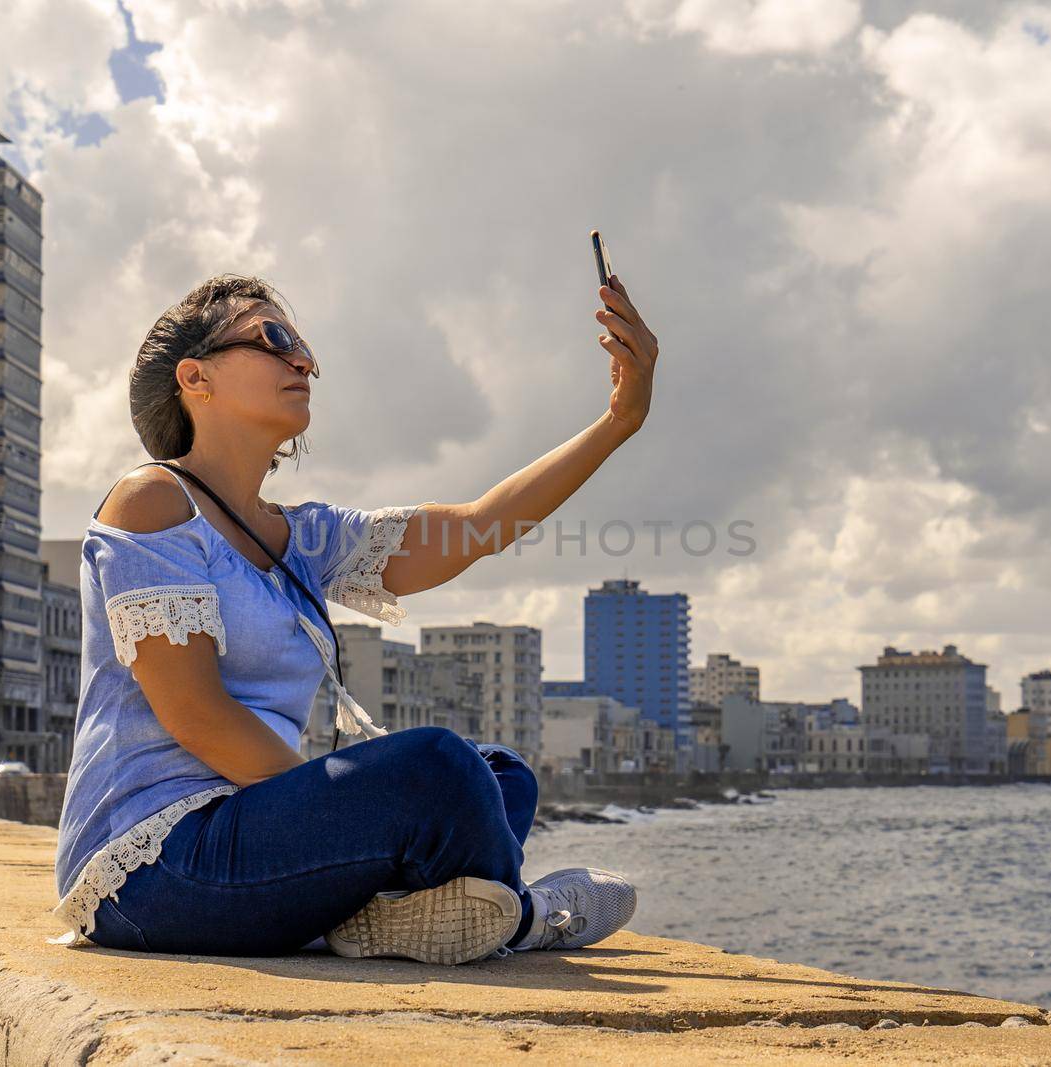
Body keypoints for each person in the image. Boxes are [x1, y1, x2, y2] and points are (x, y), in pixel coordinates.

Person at [51, 270, 660, 963]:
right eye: (273, 339)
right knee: (436, 768)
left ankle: (398, 916)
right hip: (155, 871)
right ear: (196, 378)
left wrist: (618, 422)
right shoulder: (152, 500)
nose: (303, 360)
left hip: (250, 842)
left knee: (498, 774)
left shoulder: (304, 538)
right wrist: (343, 807)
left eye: (303, 345)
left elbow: (480, 523)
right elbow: (197, 714)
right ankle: (524, 915)